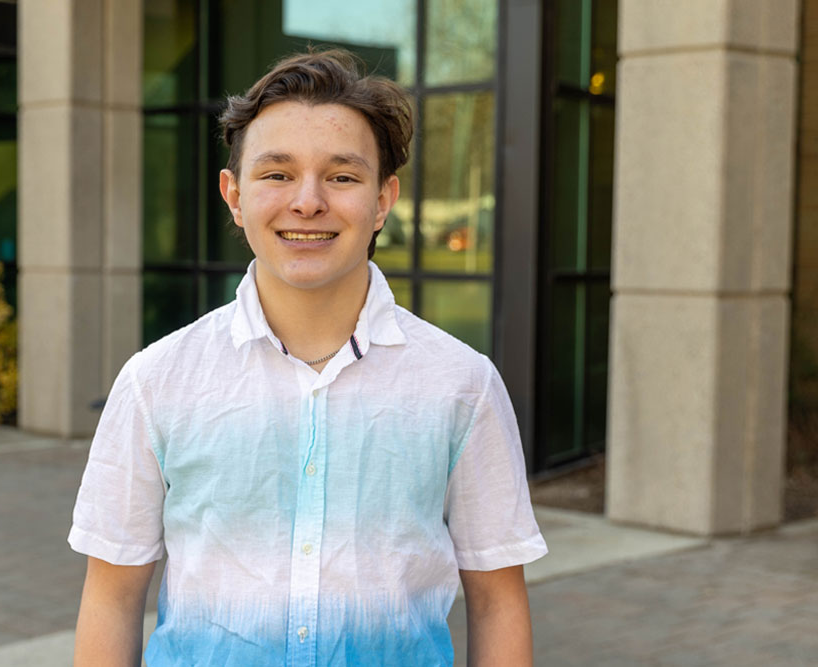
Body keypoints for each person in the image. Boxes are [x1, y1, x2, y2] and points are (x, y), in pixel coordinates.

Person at [69, 49, 547, 666]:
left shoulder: (462, 385)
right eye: (277, 174)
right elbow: (111, 598)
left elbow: (497, 602)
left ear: (382, 200)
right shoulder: (156, 382)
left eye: (342, 177)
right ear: (234, 196)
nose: (308, 201)